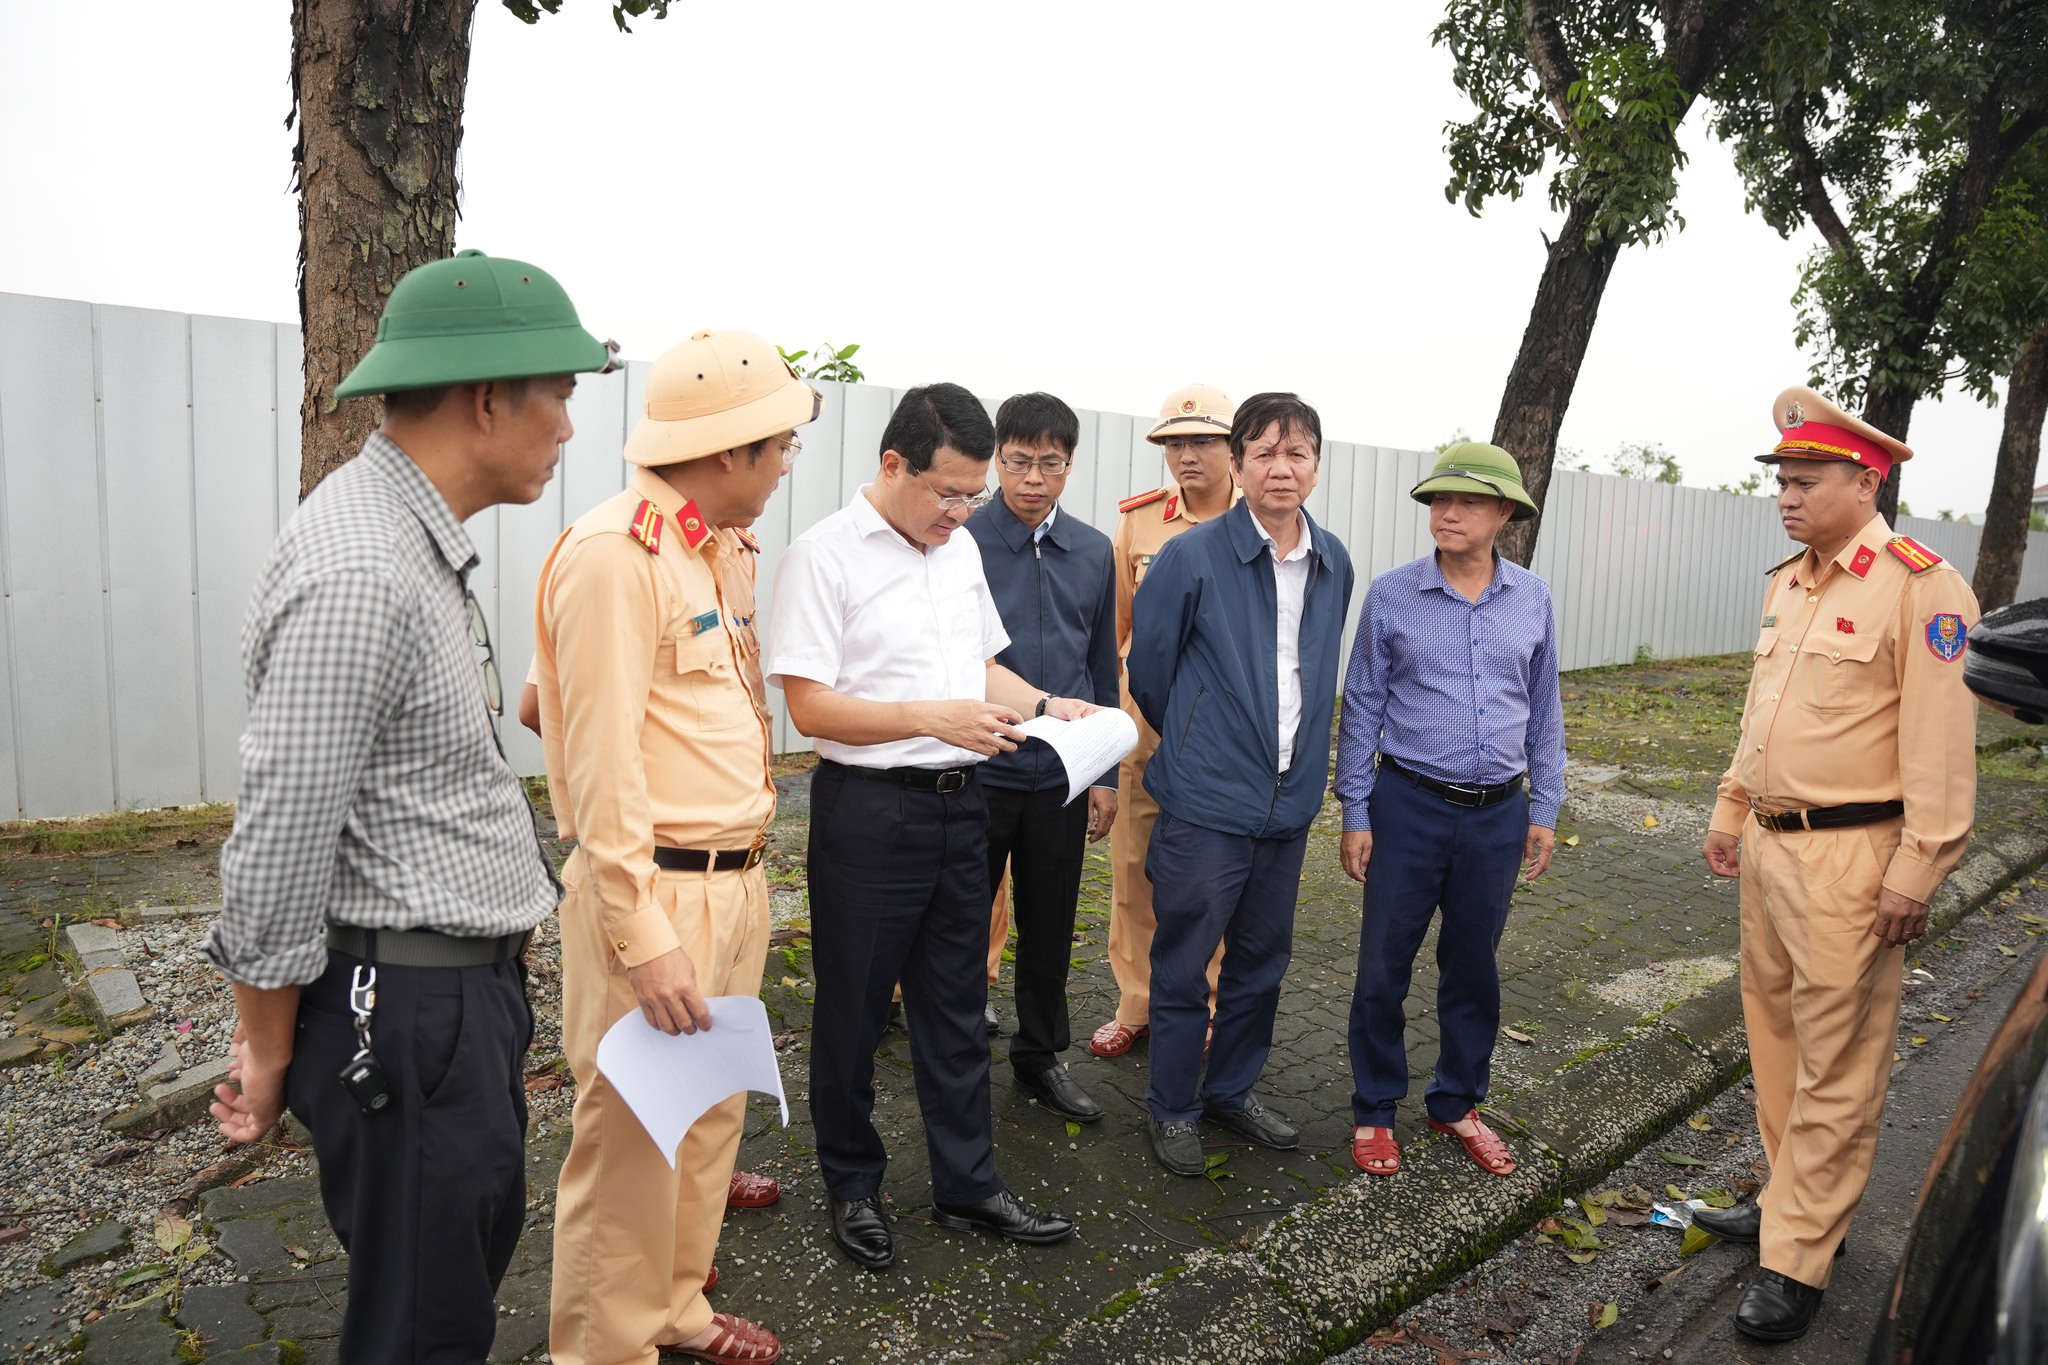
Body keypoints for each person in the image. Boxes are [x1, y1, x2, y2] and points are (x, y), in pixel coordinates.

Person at [203, 250, 607, 1363]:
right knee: (421, 1327)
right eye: (560, 396)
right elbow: (279, 840)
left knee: (443, 1289)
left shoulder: (401, 539)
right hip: (408, 1011)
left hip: (443, 1002)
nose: (568, 427)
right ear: (489, 399)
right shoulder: (364, 568)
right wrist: (265, 1046)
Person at [534, 330, 812, 1365]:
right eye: (776, 447)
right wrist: (641, 933)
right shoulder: (618, 555)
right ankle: (604, 1349)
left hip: (733, 883)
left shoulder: (715, 546)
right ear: (729, 448)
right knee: (628, 1150)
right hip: (656, 898)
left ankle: (675, 1308)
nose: (785, 466)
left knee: (703, 1123)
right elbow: (596, 768)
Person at [765, 382, 1084, 1270]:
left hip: (960, 808)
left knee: (953, 1009)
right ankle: (853, 1183)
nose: (960, 511)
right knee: (855, 1010)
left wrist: (1055, 705)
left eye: (971, 495)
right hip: (870, 814)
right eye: (946, 492)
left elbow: (982, 665)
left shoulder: (959, 551)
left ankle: (968, 1182)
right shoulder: (822, 555)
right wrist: (928, 718)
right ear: (892, 464)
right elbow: (810, 706)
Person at [1694, 386, 1979, 1342]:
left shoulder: (1921, 583)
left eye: (1806, 479)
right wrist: (1733, 808)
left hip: (1855, 858)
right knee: (1774, 1038)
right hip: (1774, 846)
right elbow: (1759, 709)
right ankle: (1794, 1208)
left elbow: (1940, 747)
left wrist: (1918, 869)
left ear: (1868, 480)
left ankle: (1799, 1256)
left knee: (1840, 1063)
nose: (1786, 494)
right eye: (1780, 479)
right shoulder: (1791, 579)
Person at [1125, 391, 1355, 1176]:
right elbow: (1149, 672)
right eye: (1264, 453)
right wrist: (1198, 743)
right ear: (1240, 462)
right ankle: (1173, 1105)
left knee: (1261, 959)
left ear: (1317, 466)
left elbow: (1316, 673)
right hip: (1207, 799)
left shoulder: (1334, 559)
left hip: (1288, 803)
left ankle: (1231, 1090)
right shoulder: (1192, 556)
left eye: (1297, 454)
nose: (1280, 469)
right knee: (1186, 961)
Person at [1334, 442, 1564, 1181]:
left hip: (1499, 814)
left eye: (1466, 502)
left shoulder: (1532, 597)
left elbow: (1545, 708)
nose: (1448, 513)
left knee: (1473, 967)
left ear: (1504, 514)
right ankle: (1375, 1107)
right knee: (1381, 968)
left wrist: (1546, 805)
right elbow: (1363, 703)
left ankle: (1457, 1100)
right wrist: (1355, 810)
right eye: (1438, 500)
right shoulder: (1393, 594)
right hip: (1407, 806)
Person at [965, 391, 1120, 1125]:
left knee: (1052, 919)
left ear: (1069, 465)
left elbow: (1102, 666)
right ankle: (958, 1044)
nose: (1033, 477)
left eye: (1049, 463)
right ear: (997, 458)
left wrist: (1105, 775)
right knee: (961, 915)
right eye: (1019, 461)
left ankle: (1038, 1055)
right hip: (978, 762)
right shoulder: (961, 538)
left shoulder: (1093, 550)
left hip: (1062, 773)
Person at [1089, 383, 1239, 1060]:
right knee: (1134, 867)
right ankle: (1137, 1002)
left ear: (1234, 446)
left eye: (1202, 439)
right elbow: (1116, 628)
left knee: (1209, 877)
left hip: (1225, 734)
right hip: (1146, 725)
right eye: (1175, 442)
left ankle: (1204, 1003)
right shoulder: (1140, 522)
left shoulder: (1259, 520)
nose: (1186, 454)